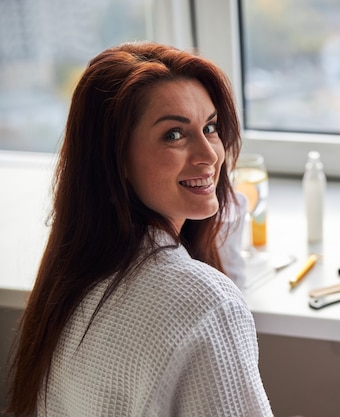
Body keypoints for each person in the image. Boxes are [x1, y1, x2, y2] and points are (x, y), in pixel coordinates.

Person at [6, 42, 273, 416]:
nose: (210, 155)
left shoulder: (69, 280)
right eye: (174, 135)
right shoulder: (208, 305)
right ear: (117, 160)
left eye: (210, 127)